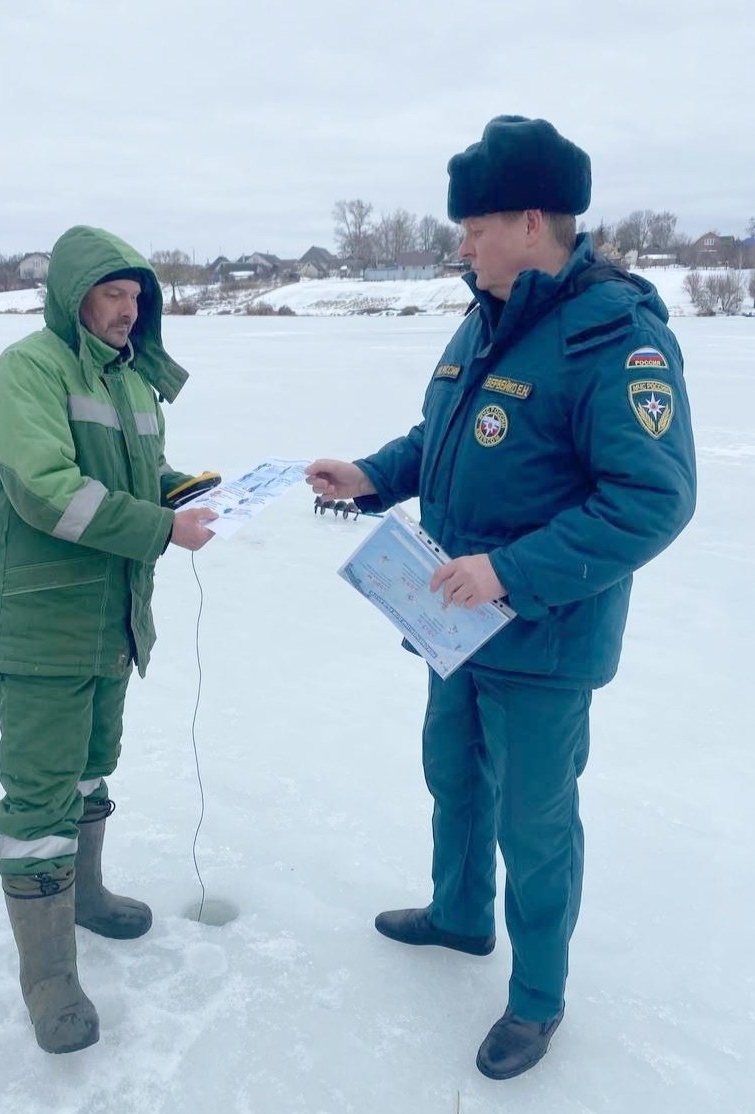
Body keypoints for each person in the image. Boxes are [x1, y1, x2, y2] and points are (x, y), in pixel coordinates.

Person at [306, 116, 696, 1080]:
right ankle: (458, 914)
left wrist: (510, 572)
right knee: (452, 775)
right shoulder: (484, 316)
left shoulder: (614, 335)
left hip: (542, 637)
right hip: (452, 622)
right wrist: (371, 475)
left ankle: (536, 998)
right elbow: (438, 438)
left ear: (530, 222)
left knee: (534, 823)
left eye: (474, 227)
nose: (462, 245)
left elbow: (652, 499)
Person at [0, 224, 218, 1054]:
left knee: (89, 767)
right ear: (72, 297)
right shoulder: (28, 370)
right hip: (45, 625)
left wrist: (179, 491)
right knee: (38, 796)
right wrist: (159, 528)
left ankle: (83, 896)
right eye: (111, 294)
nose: (127, 311)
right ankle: (48, 978)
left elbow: (129, 479)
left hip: (114, 620)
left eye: (136, 297)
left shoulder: (131, 382)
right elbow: (48, 490)